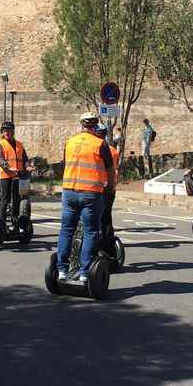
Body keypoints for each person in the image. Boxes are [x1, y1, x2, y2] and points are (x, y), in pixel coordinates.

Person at [57, 112, 116, 282]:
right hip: (91, 193)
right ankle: (84, 273)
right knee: (91, 232)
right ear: (95, 125)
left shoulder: (70, 142)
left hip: (69, 191)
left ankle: (61, 270)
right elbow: (110, 169)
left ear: (81, 125)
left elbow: (64, 165)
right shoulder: (100, 144)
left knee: (66, 230)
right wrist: (110, 186)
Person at [0, 120, 34, 228]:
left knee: (17, 199)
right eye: (5, 130)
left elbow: (24, 159)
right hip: (5, 175)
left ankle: (15, 221)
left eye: (9, 130)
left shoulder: (20, 144)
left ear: (13, 131)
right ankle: (1, 223)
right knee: (5, 198)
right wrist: (8, 167)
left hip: (17, 175)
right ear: (2, 132)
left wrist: (27, 166)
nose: (7, 132)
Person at [96, 123, 119, 256]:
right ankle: (107, 247)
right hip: (109, 188)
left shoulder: (97, 148)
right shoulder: (113, 150)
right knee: (106, 219)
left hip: (98, 188)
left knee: (95, 219)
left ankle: (98, 246)